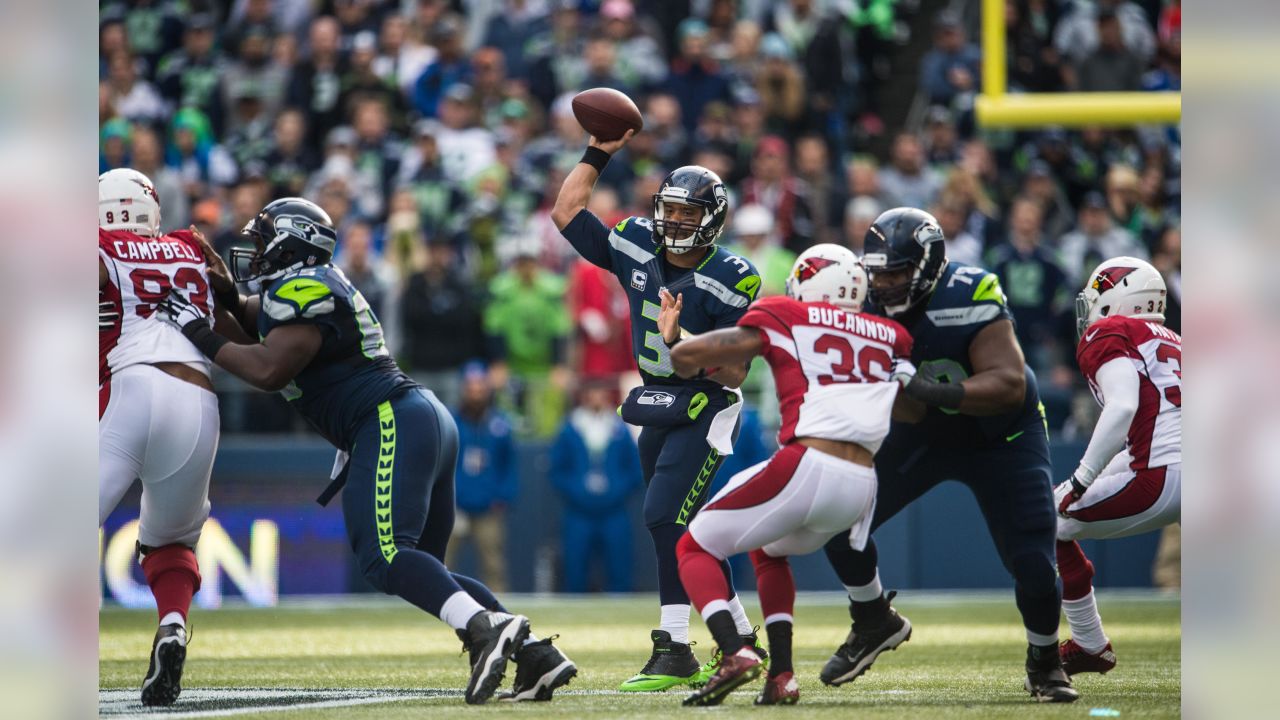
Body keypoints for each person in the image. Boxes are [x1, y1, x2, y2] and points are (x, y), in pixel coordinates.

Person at [155, 198, 575, 705]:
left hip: (389, 417)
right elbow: (254, 325)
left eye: (265, 240)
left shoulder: (303, 288)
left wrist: (194, 328)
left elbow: (268, 369)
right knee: (418, 564)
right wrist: (216, 293)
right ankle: (532, 655)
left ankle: (484, 630)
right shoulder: (306, 287)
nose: (256, 251)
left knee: (385, 555)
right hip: (417, 417)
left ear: (292, 245)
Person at [819, 208, 1080, 703]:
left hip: (999, 434)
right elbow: (908, 415)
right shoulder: (863, 304)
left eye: (896, 272)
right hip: (920, 434)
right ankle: (873, 619)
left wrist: (921, 389)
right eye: (877, 272)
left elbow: (1006, 385)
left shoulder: (970, 291)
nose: (885, 284)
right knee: (836, 518)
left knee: (1033, 561)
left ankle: (1045, 662)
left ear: (930, 266)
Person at [551, 130, 765, 691]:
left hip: (709, 405)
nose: (671, 222)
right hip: (660, 401)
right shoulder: (636, 242)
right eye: (667, 209)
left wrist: (683, 339)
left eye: (685, 212)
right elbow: (566, 209)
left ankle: (675, 646)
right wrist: (599, 152)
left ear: (712, 220)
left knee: (664, 517)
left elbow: (738, 371)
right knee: (682, 529)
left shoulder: (732, 277)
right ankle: (742, 639)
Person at [671, 245, 916, 706]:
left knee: (693, 544)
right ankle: (781, 676)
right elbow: (913, 408)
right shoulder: (891, 334)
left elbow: (704, 354)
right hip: (861, 484)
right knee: (769, 547)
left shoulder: (785, 313)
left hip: (810, 461)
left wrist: (676, 342)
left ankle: (733, 650)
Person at [98, 169, 219, 707]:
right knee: (171, 541)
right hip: (199, 401)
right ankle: (172, 624)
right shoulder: (191, 246)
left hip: (130, 388)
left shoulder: (98, 244)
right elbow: (235, 322)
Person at [1055, 257, 1182, 675]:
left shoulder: (1108, 330)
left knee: (1047, 521)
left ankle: (1089, 642)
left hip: (1162, 473)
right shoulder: (1176, 339)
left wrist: (1081, 478)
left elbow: (1124, 405)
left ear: (1114, 299)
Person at [549, 380, 645, 593]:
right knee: (575, 568)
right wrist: (576, 491)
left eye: (600, 390)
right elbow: (556, 470)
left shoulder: (618, 427)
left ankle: (621, 617)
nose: (596, 396)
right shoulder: (570, 428)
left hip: (614, 511)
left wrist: (617, 491)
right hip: (578, 512)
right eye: (592, 390)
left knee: (619, 567)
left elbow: (635, 470)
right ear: (583, 395)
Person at [447, 364, 519, 593]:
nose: (476, 391)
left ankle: (498, 611)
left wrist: (503, 496)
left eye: (480, 386)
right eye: (471, 386)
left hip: (488, 506)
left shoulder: (500, 424)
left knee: (493, 565)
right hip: (455, 506)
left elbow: (509, 464)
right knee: (442, 562)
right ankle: (440, 603)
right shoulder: (450, 420)